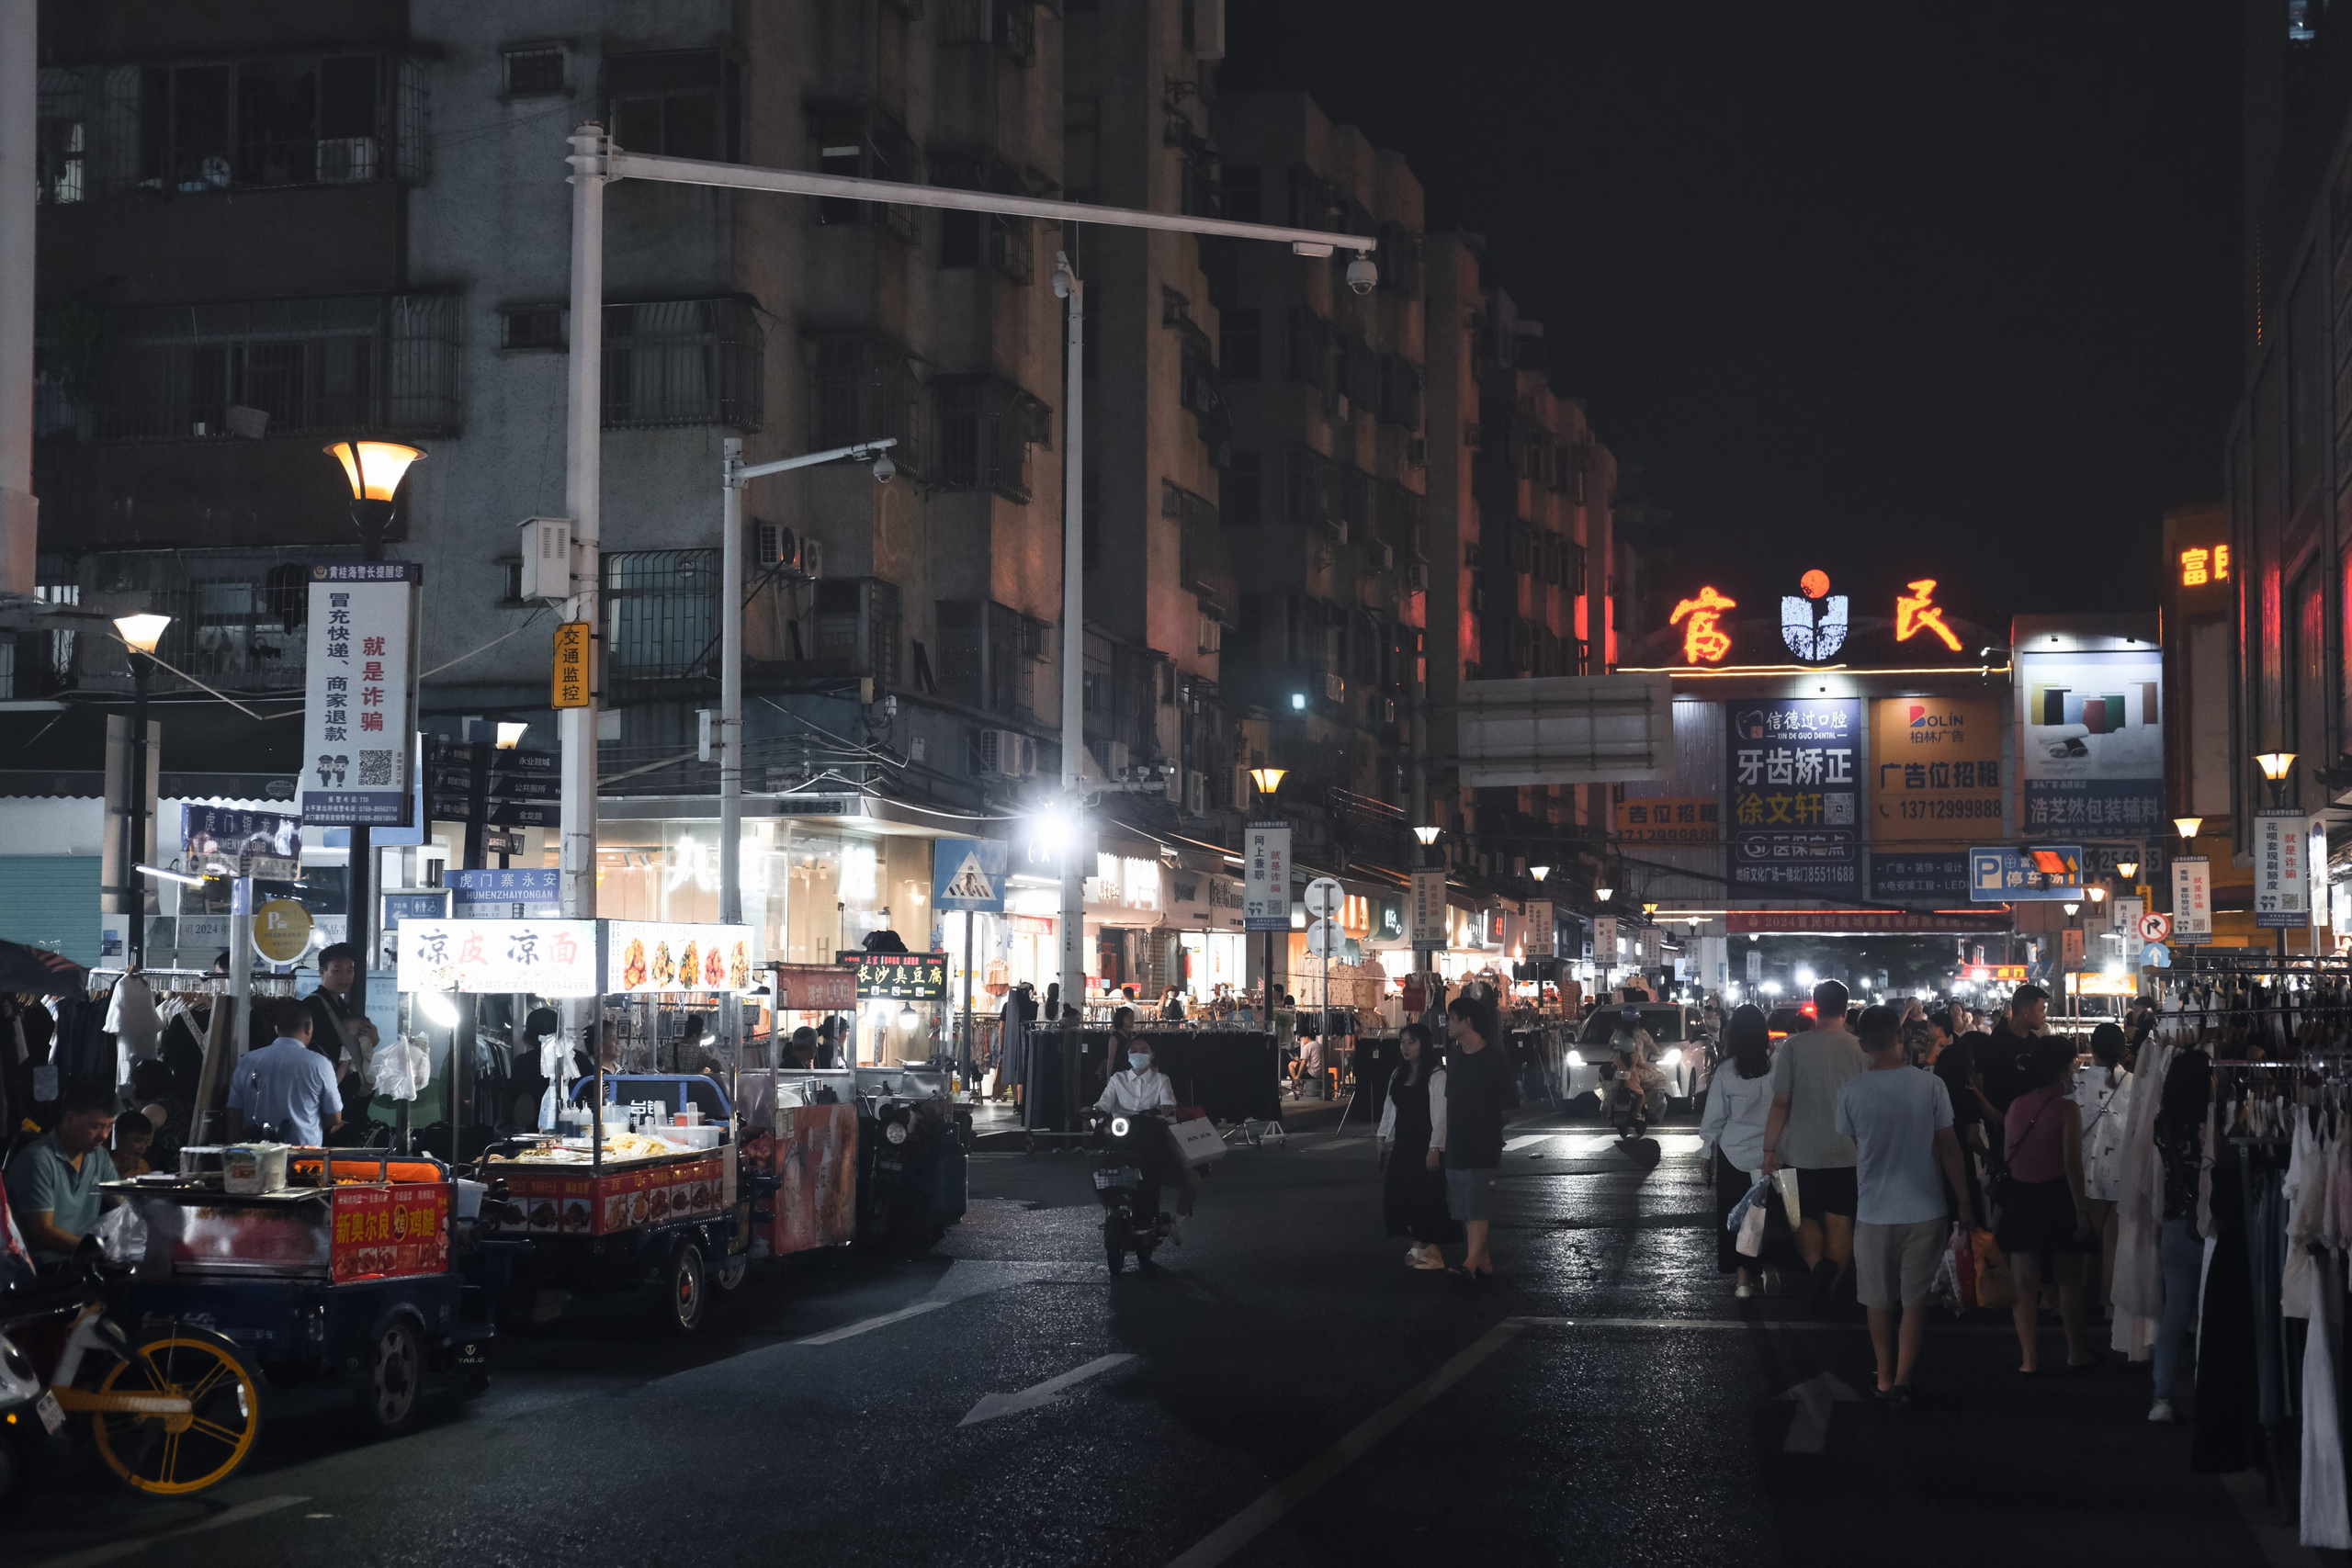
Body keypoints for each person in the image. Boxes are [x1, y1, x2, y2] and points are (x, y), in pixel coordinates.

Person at [1837, 1004, 1974, 1406]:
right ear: (1900, 1040)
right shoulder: (1930, 1086)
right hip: (1926, 1208)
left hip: (1874, 1211)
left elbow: (1857, 1146)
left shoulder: (1850, 1092)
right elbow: (1950, 1149)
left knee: (1878, 1300)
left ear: (1862, 1044)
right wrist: (1964, 1202)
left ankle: (1882, 1377)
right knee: (1915, 1301)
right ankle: (1902, 1380)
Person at [1761, 979, 1868, 1313]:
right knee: (1840, 1220)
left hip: (1799, 1151)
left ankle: (1816, 1267)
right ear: (1847, 1009)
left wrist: (1769, 1149)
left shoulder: (1793, 1047)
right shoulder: (1860, 1048)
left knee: (1799, 1216)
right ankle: (1832, 1287)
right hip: (1848, 1150)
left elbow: (1781, 1102)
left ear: (1814, 1005)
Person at [1997, 1036, 2096, 1373]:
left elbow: (2007, 1155)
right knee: (2069, 1280)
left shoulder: (2016, 1105)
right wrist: (2081, 1212)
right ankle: (2076, 1351)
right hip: (2057, 1196)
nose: (2074, 1073)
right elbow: (2073, 1165)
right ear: (2059, 1070)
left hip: (2022, 1197)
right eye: (2071, 1067)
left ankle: (2028, 1360)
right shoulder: (2068, 1109)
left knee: (2024, 1285)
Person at [2149, 1047, 2211, 1422]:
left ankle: (2161, 1397)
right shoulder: (2212, 1122)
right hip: (2210, 1225)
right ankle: (2211, 1393)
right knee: (2214, 1314)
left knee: (2174, 1316)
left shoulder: (2164, 1123)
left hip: (2174, 1223)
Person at [1700, 1003, 1777, 1299]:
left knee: (1736, 1217)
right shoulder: (1777, 1068)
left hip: (1733, 1155)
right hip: (1771, 1154)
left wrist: (1707, 1153)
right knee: (1769, 1215)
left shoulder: (1726, 1072)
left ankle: (1743, 1279)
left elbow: (1714, 1119)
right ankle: (1768, 1266)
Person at [1094, 1019, 1193, 1240]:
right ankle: (1113, 1204)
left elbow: (1168, 1100)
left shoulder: (1161, 1080)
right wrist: (1095, 1110)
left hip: (1148, 1132)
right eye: (1133, 1050)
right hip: (1122, 1132)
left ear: (1152, 1055)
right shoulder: (1118, 1079)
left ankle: (1152, 1218)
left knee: (1151, 1172)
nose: (1138, 1054)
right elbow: (1105, 1102)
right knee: (1101, 1168)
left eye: (1143, 1050)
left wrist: (1167, 1107)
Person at [1442, 994, 1514, 1280]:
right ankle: (1482, 1262)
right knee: (1462, 1206)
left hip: (1483, 1141)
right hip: (1456, 1140)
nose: (1446, 1024)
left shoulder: (1495, 1059)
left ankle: (1469, 1264)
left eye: (1451, 1019)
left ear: (1466, 1021)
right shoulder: (1456, 1056)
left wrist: (1490, 1128)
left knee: (1477, 1202)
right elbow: (1450, 1099)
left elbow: (1508, 1108)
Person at [5, 1084, 119, 1264]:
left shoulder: (100, 1156)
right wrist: (101, 1252)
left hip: (81, 1260)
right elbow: (43, 1233)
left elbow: (123, 1205)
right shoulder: (38, 1159)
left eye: (109, 1127)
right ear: (69, 1119)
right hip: (43, 1267)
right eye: (96, 1126)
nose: (104, 1136)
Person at [1376, 1021, 1459, 1269]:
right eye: (1402, 1042)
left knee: (1429, 1196)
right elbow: (1389, 1107)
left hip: (1425, 1144)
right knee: (1401, 1193)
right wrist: (1382, 1137)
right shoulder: (1398, 1073)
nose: (1405, 1047)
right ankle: (1419, 1241)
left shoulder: (1436, 1076)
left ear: (1423, 1044)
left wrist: (1435, 1147)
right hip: (1404, 1144)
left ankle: (1434, 1250)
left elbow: (1441, 1114)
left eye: (1412, 1042)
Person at [2072, 1021, 2132, 1321]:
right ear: (2123, 1050)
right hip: (2124, 1174)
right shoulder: (2136, 1084)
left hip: (2085, 1174)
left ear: (2091, 1049)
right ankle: (2109, 1306)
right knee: (2114, 1244)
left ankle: (2077, 1302)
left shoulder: (2076, 1085)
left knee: (2084, 1243)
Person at [225, 998, 345, 1146]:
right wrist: (307, 1123)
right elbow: (334, 1117)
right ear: (308, 1027)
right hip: (303, 1157)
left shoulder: (247, 1061)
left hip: (256, 1154)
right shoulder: (319, 1064)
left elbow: (234, 1114)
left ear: (276, 1028)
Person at [303, 942, 380, 1124]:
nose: (345, 977)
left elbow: (351, 1045)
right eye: (337, 970)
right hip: (328, 1093)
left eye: (349, 970)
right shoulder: (311, 1006)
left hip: (346, 1093)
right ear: (322, 972)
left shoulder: (345, 1008)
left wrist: (373, 1040)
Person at [1932, 1032, 1998, 1224]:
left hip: (1936, 1162)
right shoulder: (1964, 1093)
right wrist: (1988, 1156)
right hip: (1960, 1161)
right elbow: (1972, 1138)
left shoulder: (1936, 1089)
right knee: (1967, 1222)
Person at [1979, 983, 2049, 1115]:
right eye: (2041, 1010)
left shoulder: (2036, 1044)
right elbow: (1982, 1081)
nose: (2044, 1016)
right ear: (2026, 1011)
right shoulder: (1996, 1042)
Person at [111, 1109, 159, 1178]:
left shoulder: (143, 1165)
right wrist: (121, 1170)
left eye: (146, 1143)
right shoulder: (107, 1163)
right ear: (120, 1138)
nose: (142, 1148)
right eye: (137, 1141)